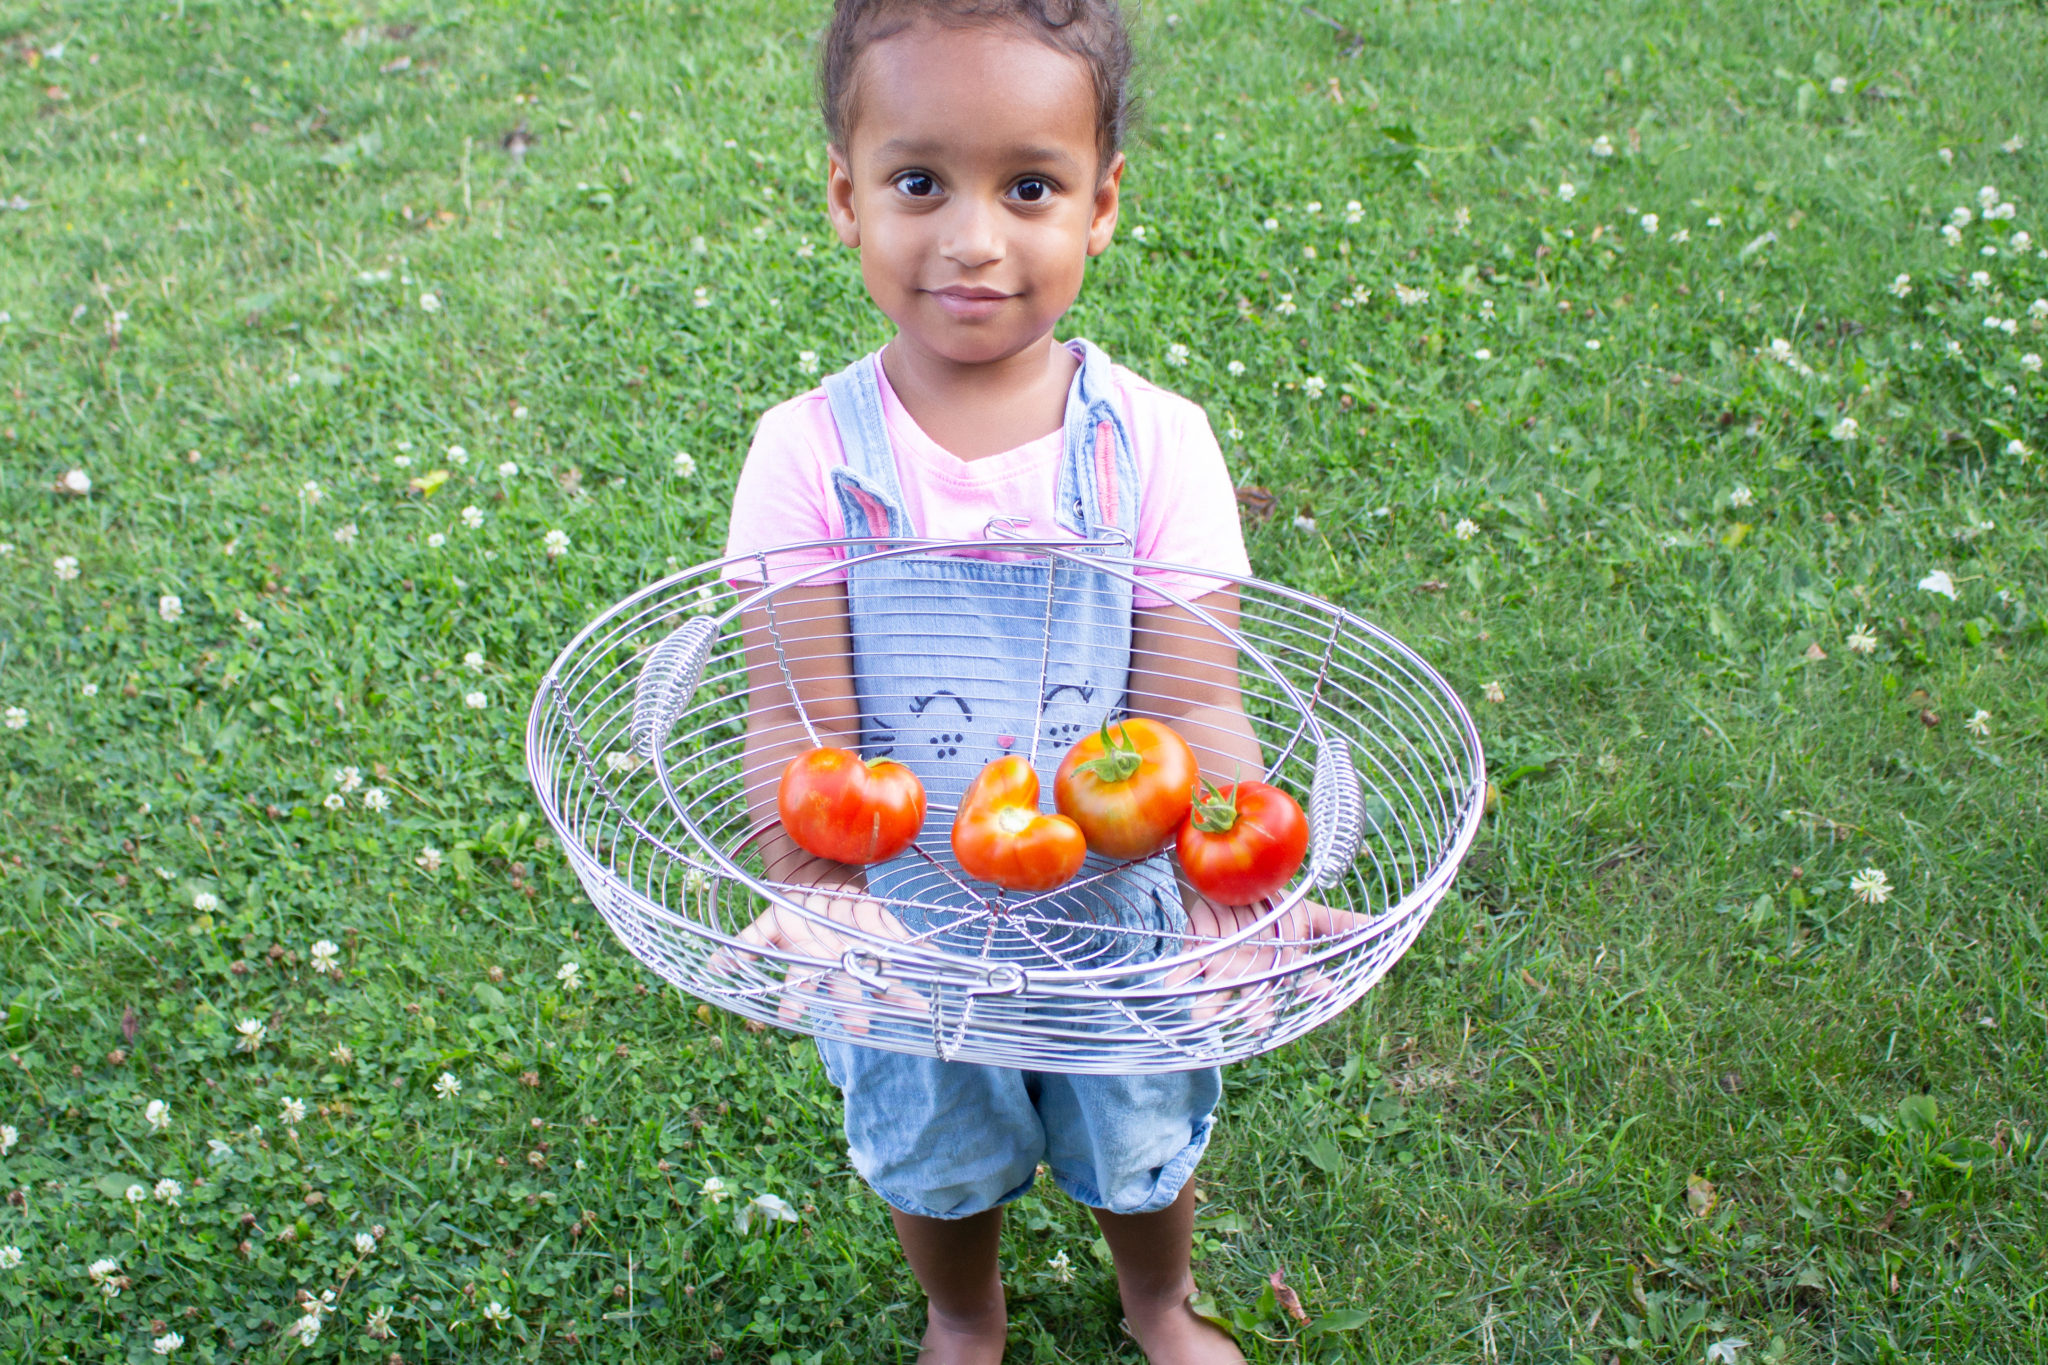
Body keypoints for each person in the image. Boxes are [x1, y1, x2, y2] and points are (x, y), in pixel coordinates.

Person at [720, 3, 1310, 1360]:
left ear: (1102, 207)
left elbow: (1198, 701)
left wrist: (1238, 886)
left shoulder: (1157, 444)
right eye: (920, 182)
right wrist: (815, 902)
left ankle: (1157, 1299)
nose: (973, 238)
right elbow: (791, 725)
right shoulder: (808, 457)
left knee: (1140, 1131)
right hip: (909, 929)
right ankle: (963, 1313)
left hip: (1116, 913)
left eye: (1029, 186)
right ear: (845, 198)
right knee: (933, 1143)